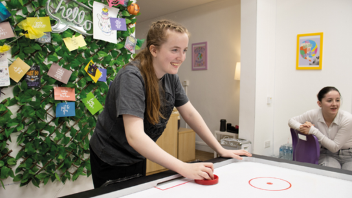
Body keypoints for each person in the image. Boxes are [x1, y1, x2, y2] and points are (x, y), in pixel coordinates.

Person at [89, 20, 252, 188]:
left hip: (137, 155)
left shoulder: (171, 77)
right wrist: (183, 167)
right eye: (174, 50)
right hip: (110, 157)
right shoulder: (131, 77)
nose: (181, 57)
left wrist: (220, 149)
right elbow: (134, 136)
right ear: (154, 50)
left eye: (184, 51)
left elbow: (190, 114)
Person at [288, 86, 352, 171]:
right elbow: (291, 121)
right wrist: (302, 127)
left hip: (349, 155)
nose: (334, 104)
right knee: (331, 172)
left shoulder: (347, 119)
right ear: (319, 103)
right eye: (329, 100)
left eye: (337, 100)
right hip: (326, 153)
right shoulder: (313, 114)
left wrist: (313, 131)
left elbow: (335, 147)